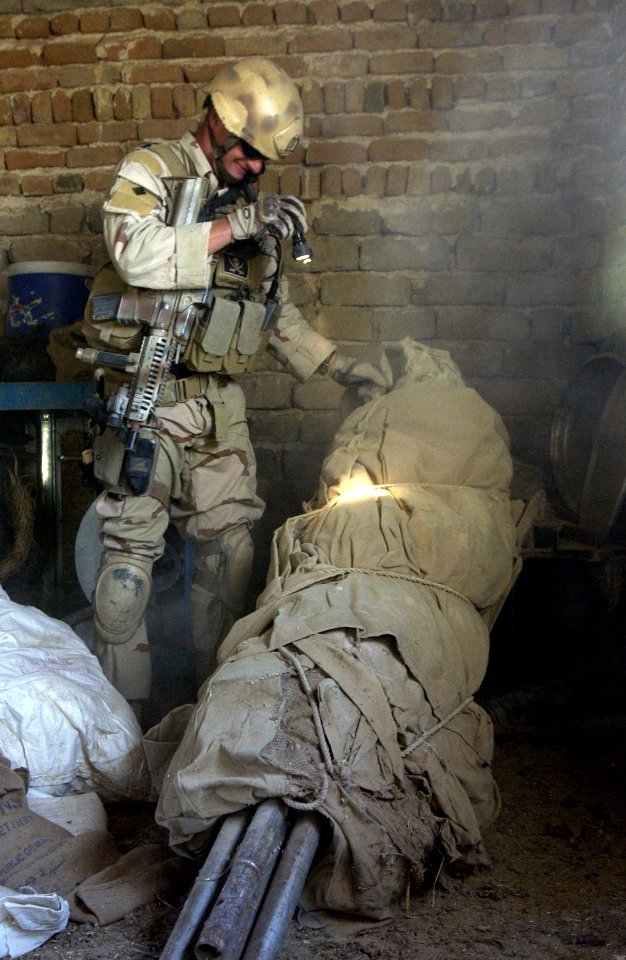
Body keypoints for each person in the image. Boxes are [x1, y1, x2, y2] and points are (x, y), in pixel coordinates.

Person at [80, 56, 390, 709]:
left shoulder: (257, 214)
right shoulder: (153, 170)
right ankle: (121, 733)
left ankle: (209, 717)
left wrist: (339, 367)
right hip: (150, 394)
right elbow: (133, 250)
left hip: (219, 409)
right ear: (217, 124)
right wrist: (236, 225)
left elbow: (275, 315)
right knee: (124, 577)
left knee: (232, 563)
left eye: (263, 160)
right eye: (247, 153)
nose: (254, 168)